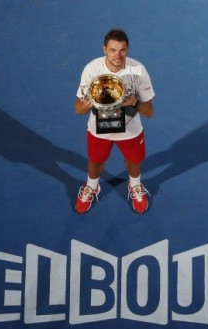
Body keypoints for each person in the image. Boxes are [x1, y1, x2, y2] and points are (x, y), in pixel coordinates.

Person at [74, 28, 155, 214]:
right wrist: (88, 105)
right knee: (95, 161)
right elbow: (78, 109)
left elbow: (149, 112)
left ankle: (134, 186)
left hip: (130, 129)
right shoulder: (92, 69)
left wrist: (134, 103)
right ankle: (92, 186)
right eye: (112, 50)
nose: (117, 55)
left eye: (122, 50)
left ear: (127, 49)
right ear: (104, 49)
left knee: (134, 161)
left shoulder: (138, 71)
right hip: (98, 128)